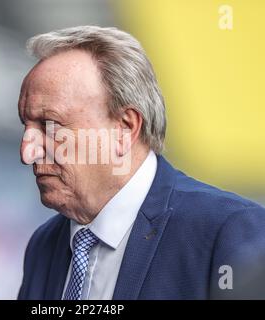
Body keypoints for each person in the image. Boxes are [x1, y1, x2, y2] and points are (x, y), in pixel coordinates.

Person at [17, 26, 265, 299]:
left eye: (50, 125)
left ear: (125, 128)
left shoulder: (227, 230)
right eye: (26, 126)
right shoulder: (44, 245)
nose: (27, 152)